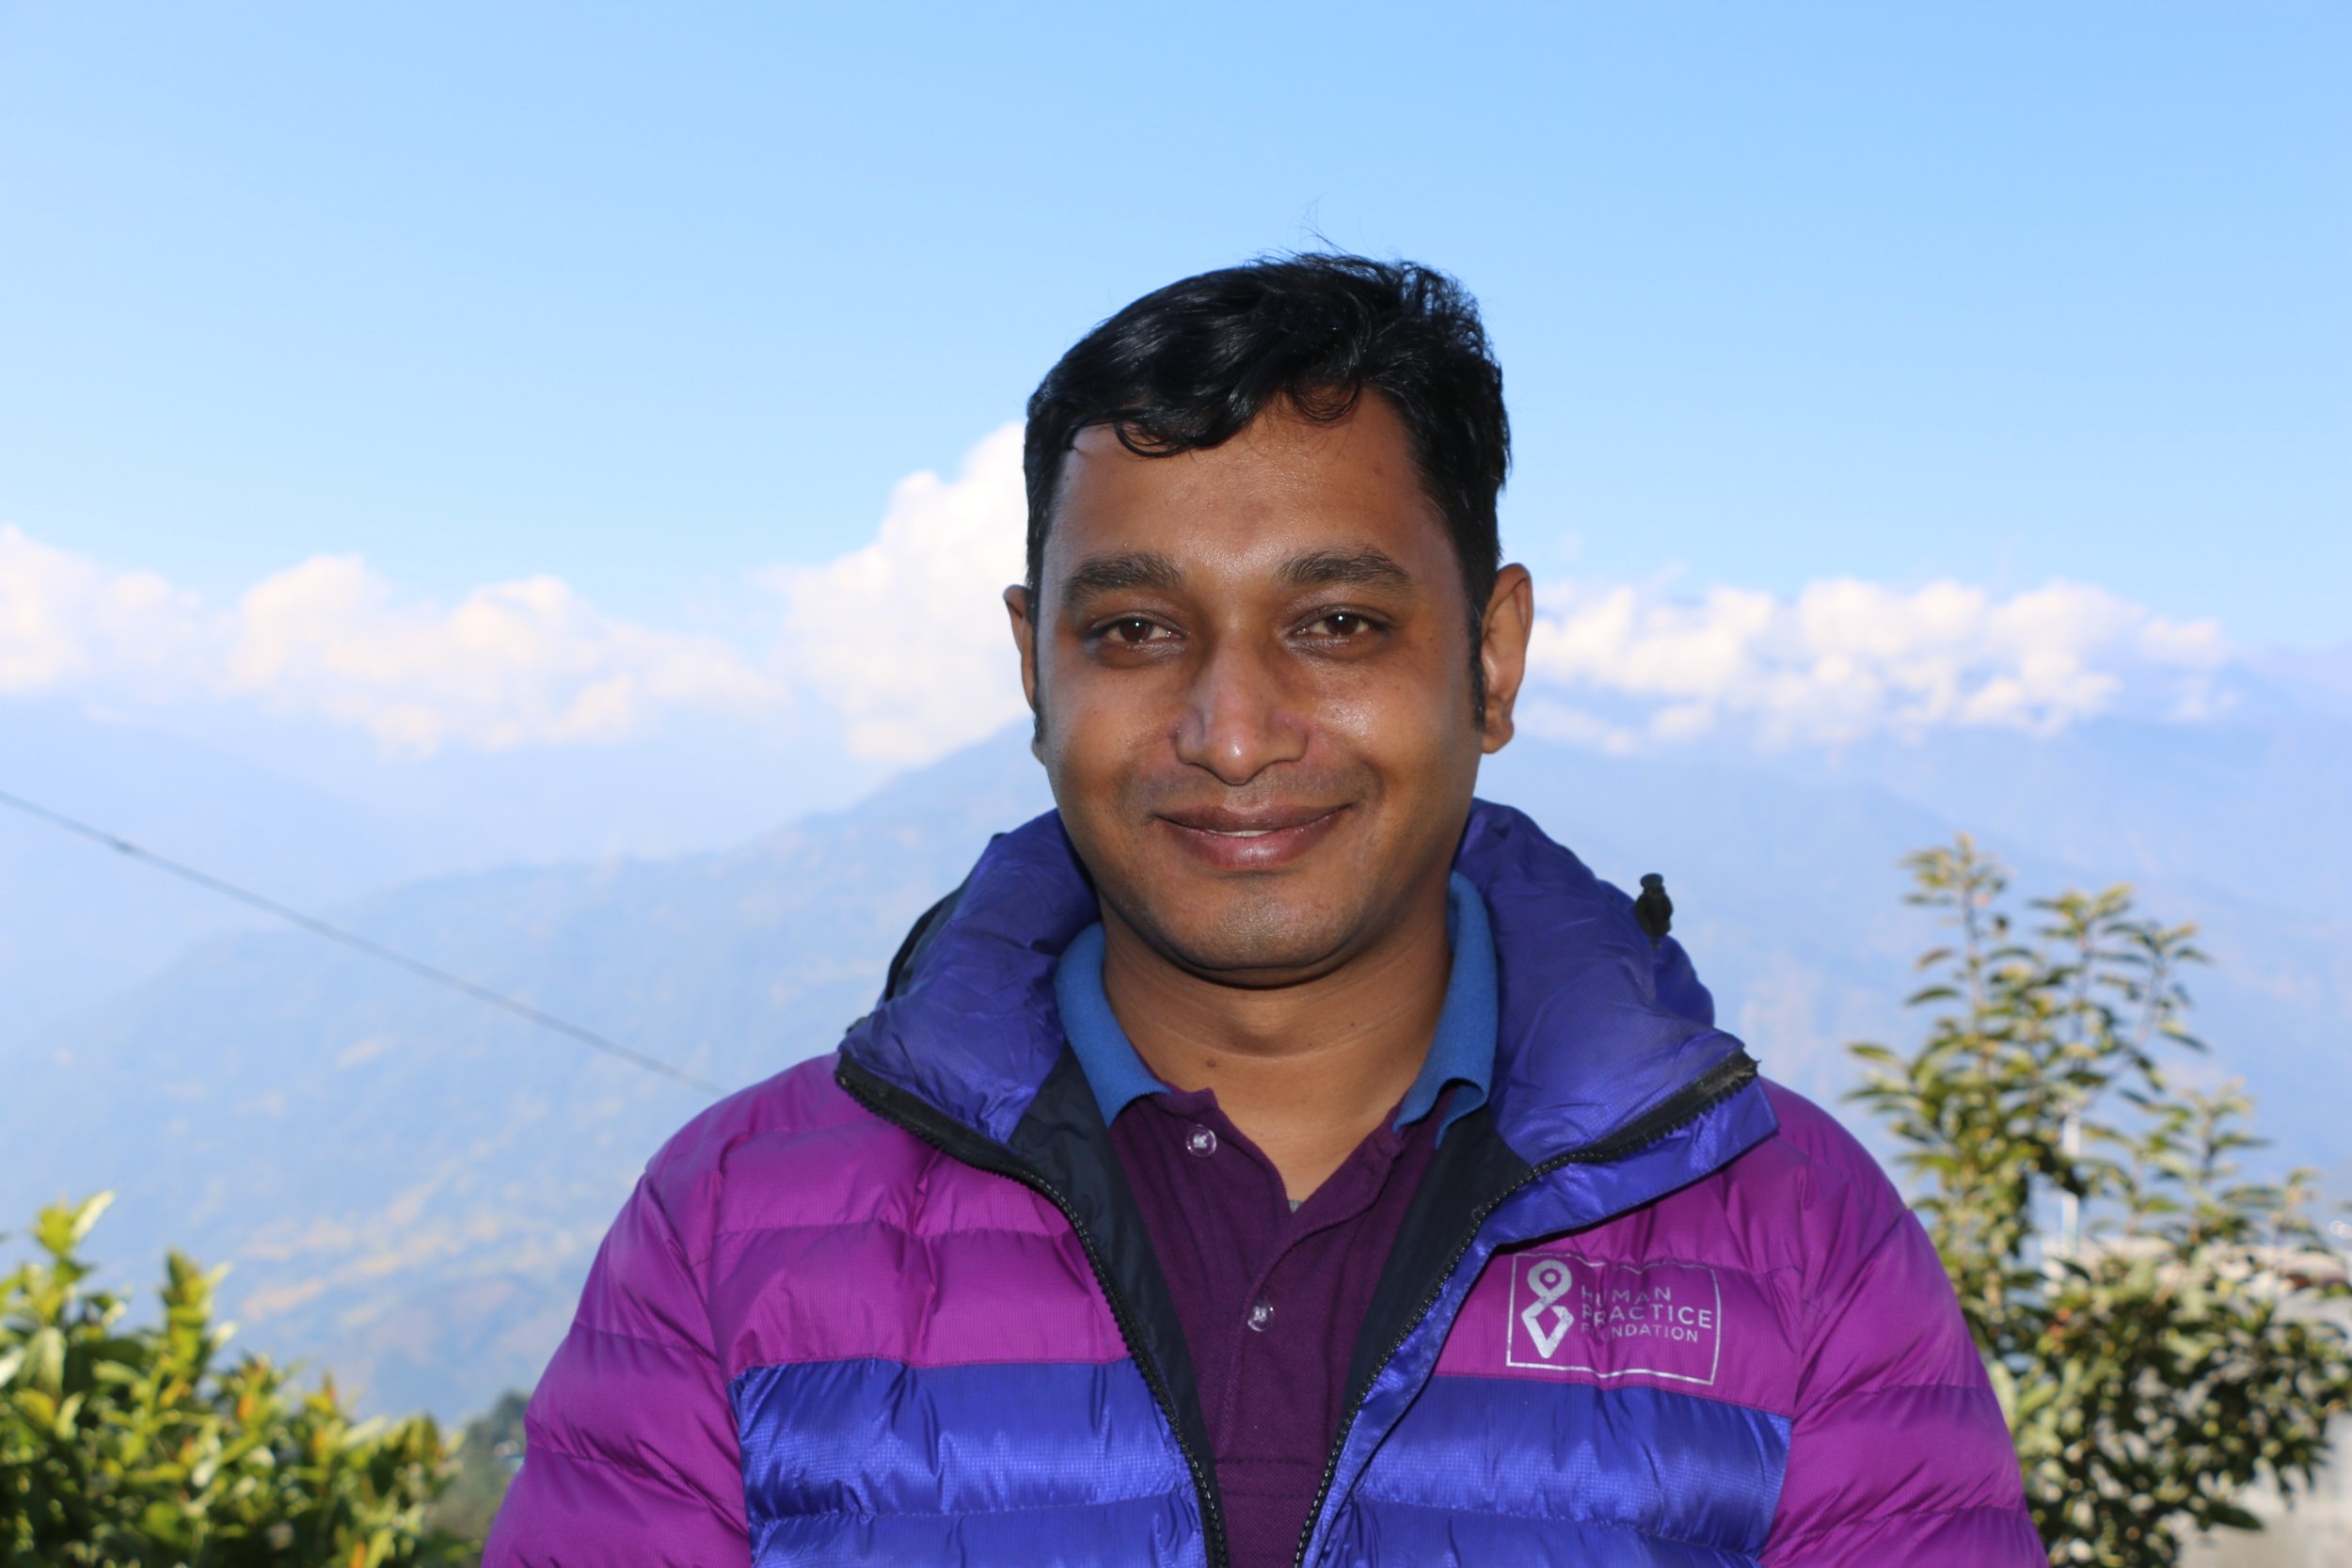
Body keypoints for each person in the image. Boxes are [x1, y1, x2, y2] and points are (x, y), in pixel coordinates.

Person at [486, 255, 2042, 1567]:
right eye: (1139, 627)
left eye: (1338, 622)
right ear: (1037, 665)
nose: (1233, 730)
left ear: (1491, 659)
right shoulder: (731, 1235)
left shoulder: (1801, 1250)